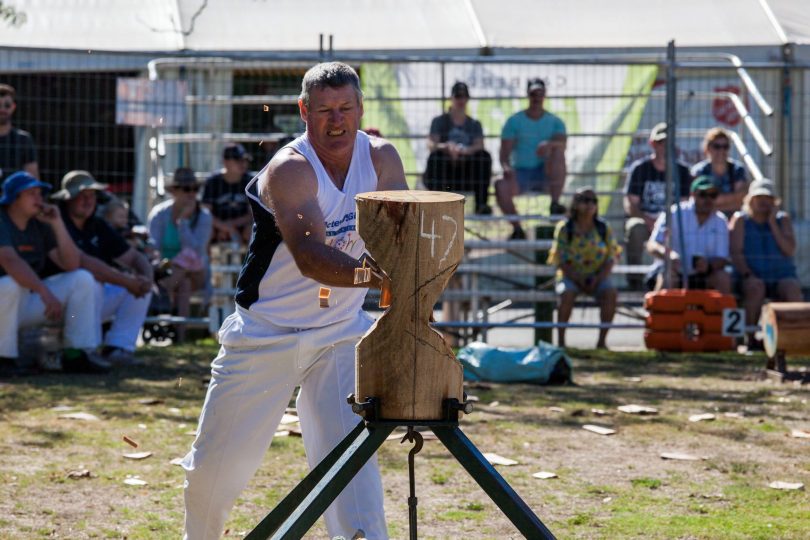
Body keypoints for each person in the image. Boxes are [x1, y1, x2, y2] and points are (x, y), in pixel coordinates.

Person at [182, 62, 407, 540]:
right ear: (304, 111)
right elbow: (311, 257)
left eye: (346, 108)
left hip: (341, 333)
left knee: (352, 467)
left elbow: (403, 236)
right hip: (267, 333)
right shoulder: (290, 168)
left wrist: (417, 271)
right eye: (324, 110)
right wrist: (385, 280)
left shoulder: (382, 158)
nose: (337, 120)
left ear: (361, 109)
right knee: (214, 473)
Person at [0, 172, 107, 375]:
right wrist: (44, 292)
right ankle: (4, 359)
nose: (39, 199)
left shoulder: (39, 224)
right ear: (13, 198)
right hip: (4, 302)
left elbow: (71, 264)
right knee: (10, 284)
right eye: (31, 193)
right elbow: (10, 261)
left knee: (82, 279)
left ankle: (76, 354)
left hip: (23, 303)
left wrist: (57, 223)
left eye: (40, 193)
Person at [52, 170, 154, 364]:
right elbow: (87, 265)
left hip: (89, 302)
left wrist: (146, 278)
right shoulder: (58, 223)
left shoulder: (97, 224)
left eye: (91, 196)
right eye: (81, 196)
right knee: (89, 280)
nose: (87, 201)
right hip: (58, 302)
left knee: (142, 287)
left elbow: (134, 257)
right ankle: (87, 350)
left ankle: (119, 348)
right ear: (67, 199)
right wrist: (128, 281)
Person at [729, 179, 801, 349]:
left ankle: (792, 339)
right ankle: (751, 339)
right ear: (750, 200)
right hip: (751, 275)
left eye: (768, 198)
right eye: (758, 197)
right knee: (755, 287)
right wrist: (748, 274)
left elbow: (789, 250)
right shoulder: (740, 220)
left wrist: (772, 224)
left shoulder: (783, 220)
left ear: (774, 202)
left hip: (780, 276)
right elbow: (735, 253)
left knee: (792, 288)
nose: (763, 201)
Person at [495, 77, 567, 239]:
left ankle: (555, 204)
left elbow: (562, 144)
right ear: (527, 95)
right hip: (520, 174)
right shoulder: (514, 121)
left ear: (545, 95)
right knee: (500, 185)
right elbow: (504, 153)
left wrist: (549, 145)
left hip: (547, 173)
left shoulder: (555, 122)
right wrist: (506, 168)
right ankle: (518, 229)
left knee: (558, 153)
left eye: (540, 93)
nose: (536, 98)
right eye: (533, 94)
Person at [547, 188, 620, 349]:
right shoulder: (565, 228)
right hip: (570, 276)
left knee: (611, 293)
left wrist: (598, 278)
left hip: (598, 276)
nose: (590, 205)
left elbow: (611, 257)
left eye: (594, 201)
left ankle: (601, 342)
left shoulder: (603, 227)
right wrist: (577, 278)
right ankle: (561, 343)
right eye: (586, 200)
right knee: (566, 294)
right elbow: (559, 258)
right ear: (576, 204)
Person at [623, 122, 692, 288]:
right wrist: (649, 221)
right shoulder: (640, 169)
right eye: (661, 142)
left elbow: (685, 204)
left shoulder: (682, 171)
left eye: (669, 142)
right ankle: (635, 282)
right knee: (635, 228)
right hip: (646, 220)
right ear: (652, 144)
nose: (665, 147)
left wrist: (666, 223)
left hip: (673, 223)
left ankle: (684, 279)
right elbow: (631, 205)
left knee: (686, 229)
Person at [147, 167, 212, 341]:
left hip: (197, 272)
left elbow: (196, 251)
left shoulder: (204, 216)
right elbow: (153, 246)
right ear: (174, 191)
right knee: (183, 283)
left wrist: (182, 222)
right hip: (170, 272)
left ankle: (160, 297)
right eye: (186, 189)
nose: (192, 194)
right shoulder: (159, 214)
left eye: (195, 189)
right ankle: (180, 337)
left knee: (187, 259)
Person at [647, 176, 731, 293]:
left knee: (723, 278)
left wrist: (708, 266)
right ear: (693, 194)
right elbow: (652, 245)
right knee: (668, 277)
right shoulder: (675, 213)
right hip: (674, 272)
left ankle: (721, 311)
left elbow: (722, 258)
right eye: (702, 194)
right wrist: (668, 255)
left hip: (704, 276)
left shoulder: (721, 221)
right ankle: (658, 310)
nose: (708, 199)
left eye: (712, 195)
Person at [423, 81, 493, 214]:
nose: (461, 100)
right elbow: (431, 144)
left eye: (464, 96)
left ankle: (481, 204)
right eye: (458, 96)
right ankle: (437, 203)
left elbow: (480, 144)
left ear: (467, 99)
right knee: (436, 157)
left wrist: (465, 151)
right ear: (452, 98)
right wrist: (447, 147)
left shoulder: (474, 124)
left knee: (483, 157)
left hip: (467, 173)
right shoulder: (439, 121)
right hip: (445, 174)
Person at [202, 143, 254, 245]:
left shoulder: (251, 181)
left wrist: (231, 226)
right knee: (207, 230)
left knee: (251, 230)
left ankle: (251, 260)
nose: (243, 163)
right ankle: (205, 260)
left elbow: (252, 214)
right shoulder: (213, 182)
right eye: (238, 160)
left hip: (241, 226)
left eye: (244, 160)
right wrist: (225, 227)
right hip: (217, 226)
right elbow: (206, 213)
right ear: (225, 162)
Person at [690, 127, 748, 214]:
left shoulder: (738, 169)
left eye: (725, 147)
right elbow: (697, 201)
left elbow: (741, 200)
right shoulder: (699, 170)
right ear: (708, 148)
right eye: (717, 146)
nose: (721, 150)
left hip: (732, 220)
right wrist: (731, 199)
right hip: (707, 218)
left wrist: (713, 201)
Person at [0, 83, 38, 182]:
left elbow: (32, 178)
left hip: (15, 195)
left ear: (13, 107)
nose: (2, 109)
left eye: (7, 105)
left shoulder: (23, 139)